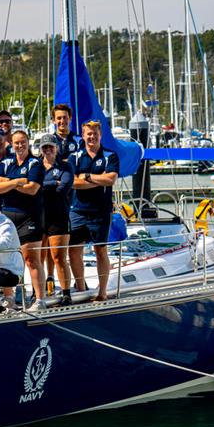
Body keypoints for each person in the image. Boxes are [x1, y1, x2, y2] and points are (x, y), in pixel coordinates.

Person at [68, 120, 120, 302]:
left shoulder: (110, 156)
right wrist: (99, 179)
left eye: (95, 134)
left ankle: (102, 292)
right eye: (88, 134)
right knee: (74, 250)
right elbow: (74, 182)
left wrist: (88, 177)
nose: (92, 137)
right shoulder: (75, 157)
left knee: (100, 250)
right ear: (83, 135)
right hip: (78, 211)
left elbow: (111, 180)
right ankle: (81, 288)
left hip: (101, 211)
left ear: (100, 135)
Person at [0, 130, 46, 301]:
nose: (20, 145)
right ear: (11, 144)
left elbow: (32, 189)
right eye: (16, 143)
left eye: (23, 142)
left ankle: (39, 299)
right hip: (8, 217)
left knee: (31, 259)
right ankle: (11, 298)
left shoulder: (36, 163)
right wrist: (18, 181)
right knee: (9, 259)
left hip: (29, 216)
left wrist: (8, 183)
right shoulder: (6, 162)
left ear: (28, 143)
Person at [37, 134, 76, 306]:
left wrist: (43, 186)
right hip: (38, 215)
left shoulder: (65, 167)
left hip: (58, 215)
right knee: (38, 257)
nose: (47, 150)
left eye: (50, 147)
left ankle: (66, 292)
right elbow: (31, 187)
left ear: (56, 148)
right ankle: (42, 291)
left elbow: (64, 188)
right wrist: (52, 183)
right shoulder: (36, 166)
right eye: (44, 147)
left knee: (59, 256)